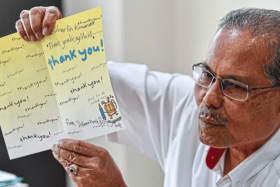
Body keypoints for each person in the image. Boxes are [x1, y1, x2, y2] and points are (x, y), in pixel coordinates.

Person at [15, 6, 280, 187]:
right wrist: (49, 39)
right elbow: (84, 81)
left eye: (235, 86)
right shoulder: (184, 103)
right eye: (207, 75)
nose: (208, 99)